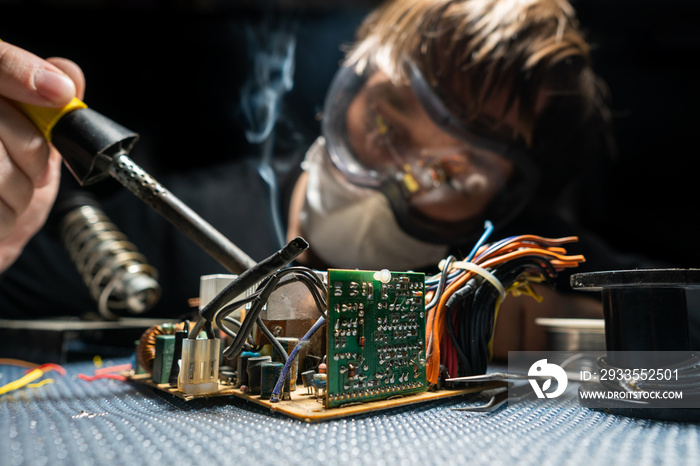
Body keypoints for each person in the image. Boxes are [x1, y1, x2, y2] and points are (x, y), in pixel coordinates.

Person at [0, 0, 650, 358]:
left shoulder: (521, 256)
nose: (393, 182)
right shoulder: (155, 230)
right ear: (341, 98)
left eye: (450, 171)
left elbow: (678, 321)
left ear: (504, 198)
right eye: (388, 127)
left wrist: (495, 316)